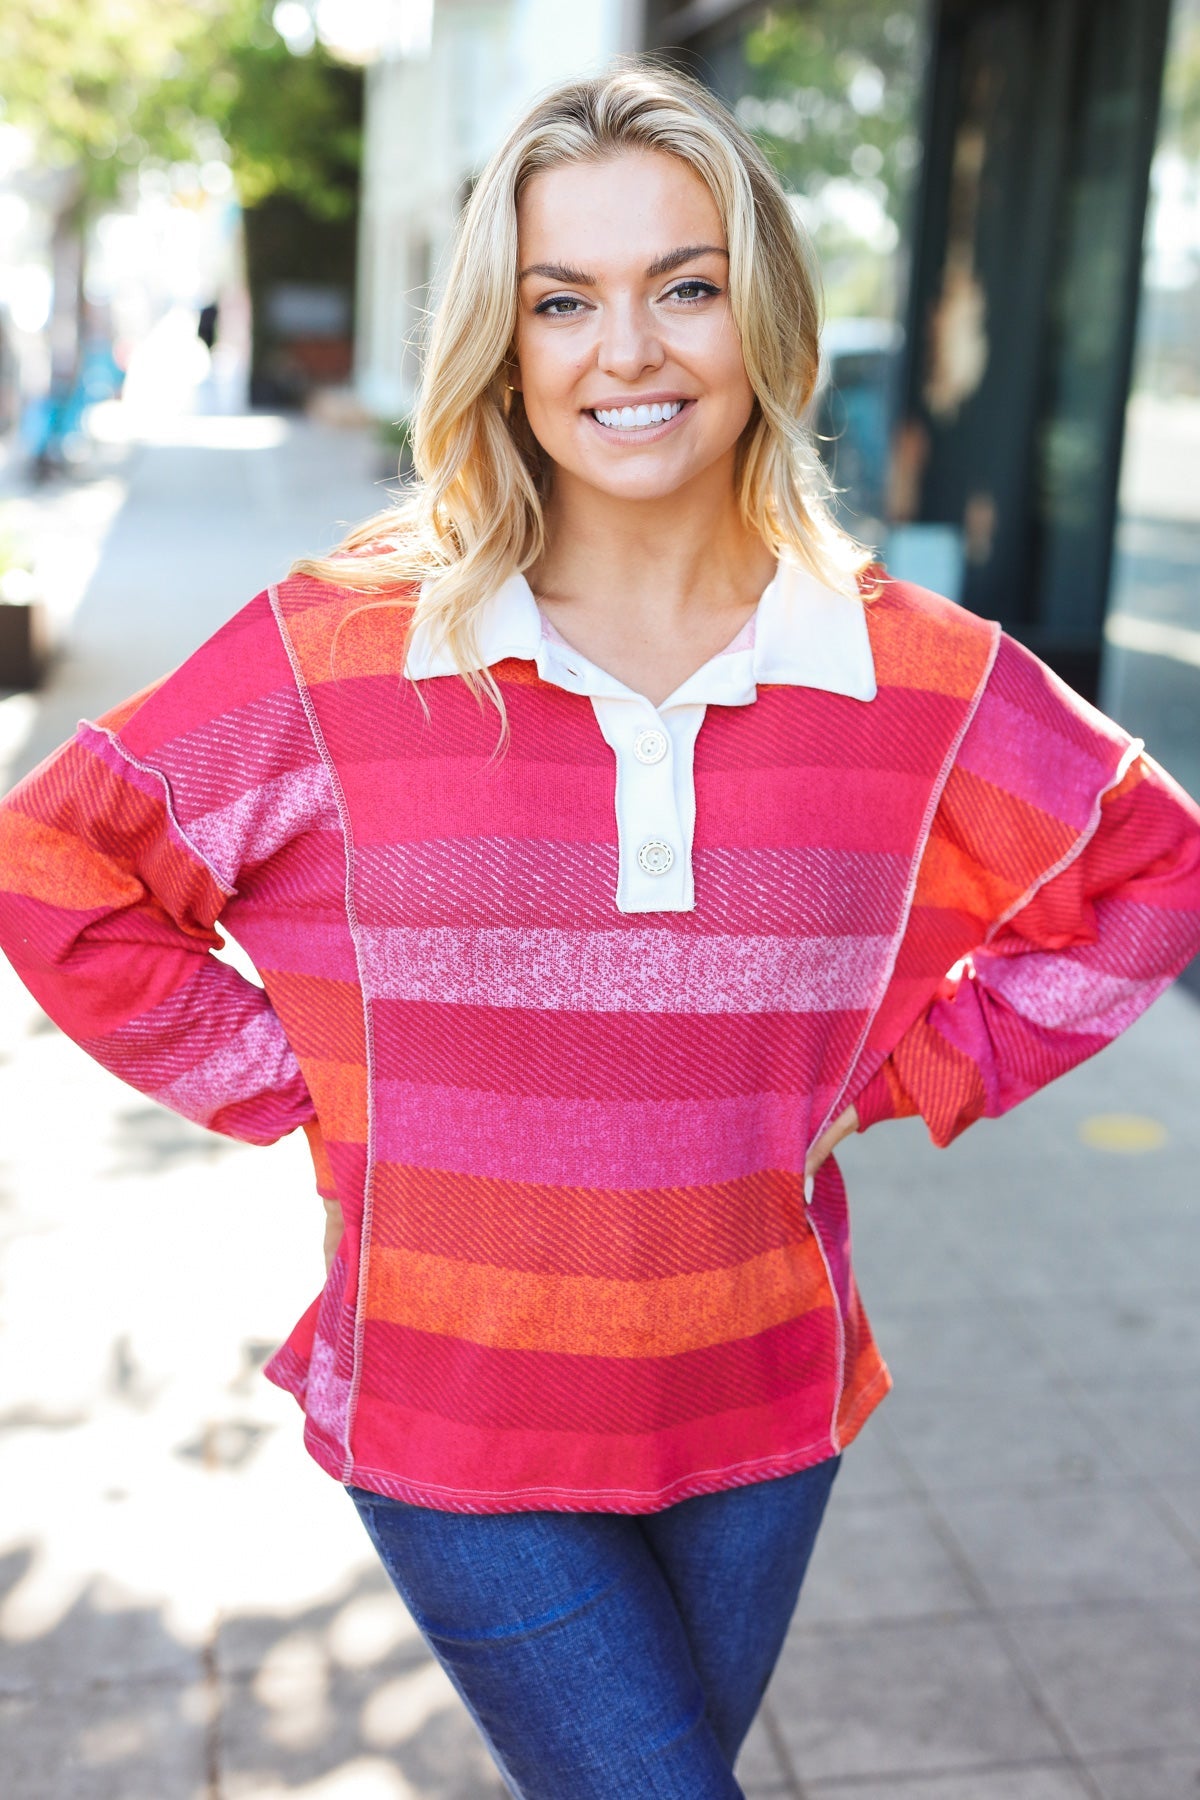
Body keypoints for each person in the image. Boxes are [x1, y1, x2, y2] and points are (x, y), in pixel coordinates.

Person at [1, 59, 1199, 1800]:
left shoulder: (914, 672)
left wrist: (922, 1067)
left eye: (684, 286)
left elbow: (1146, 863)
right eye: (564, 300)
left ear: (761, 315)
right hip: (450, 1415)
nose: (626, 350)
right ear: (504, 340)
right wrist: (311, 1087)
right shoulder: (343, 653)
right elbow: (59, 872)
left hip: (763, 1408)